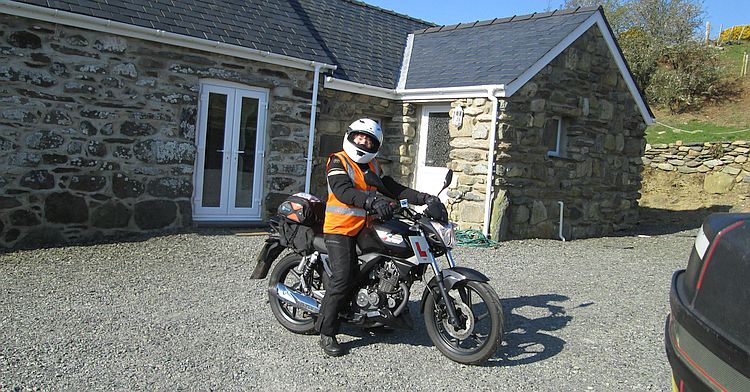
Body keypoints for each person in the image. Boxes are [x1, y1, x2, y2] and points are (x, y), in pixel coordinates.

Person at [315, 118, 442, 357]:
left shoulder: (373, 166)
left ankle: (377, 313)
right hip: (339, 229)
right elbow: (343, 190)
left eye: (369, 140)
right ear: (351, 136)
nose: (363, 142)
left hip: (365, 227)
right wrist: (371, 201)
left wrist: (425, 198)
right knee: (343, 277)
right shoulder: (337, 161)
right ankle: (327, 330)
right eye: (360, 137)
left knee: (386, 263)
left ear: (376, 145)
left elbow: (393, 188)